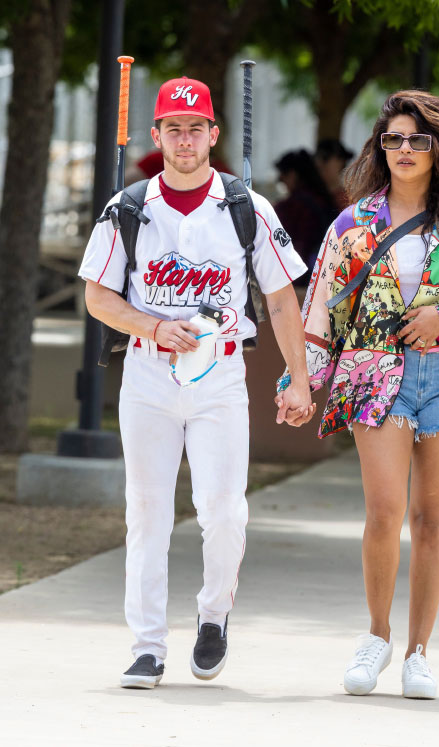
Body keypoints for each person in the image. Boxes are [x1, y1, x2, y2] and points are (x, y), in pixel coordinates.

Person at [278, 90, 439, 698]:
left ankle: (419, 652)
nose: (406, 150)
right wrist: (300, 381)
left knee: (432, 521)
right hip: (374, 377)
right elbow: (321, 312)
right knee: (384, 514)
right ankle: (376, 637)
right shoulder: (353, 224)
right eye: (394, 139)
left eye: (418, 139)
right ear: (380, 147)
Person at [79, 76, 315, 689]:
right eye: (173, 129)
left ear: (214, 134)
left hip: (222, 377)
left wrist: (298, 377)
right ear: (157, 136)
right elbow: (98, 296)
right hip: (149, 376)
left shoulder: (246, 207)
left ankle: (214, 615)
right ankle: (147, 646)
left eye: (196, 128)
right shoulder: (128, 207)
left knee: (223, 511)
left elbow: (283, 299)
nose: (185, 140)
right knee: (148, 511)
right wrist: (154, 327)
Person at [274, 149, 337, 285]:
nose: (282, 182)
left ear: (292, 175)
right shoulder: (324, 200)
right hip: (326, 275)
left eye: (283, 177)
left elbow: (295, 248)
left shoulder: (292, 207)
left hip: (302, 278)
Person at [314, 138, 354, 211]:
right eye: (316, 157)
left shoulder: (347, 201)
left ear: (340, 161)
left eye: (325, 157)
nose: (318, 163)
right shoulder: (309, 195)